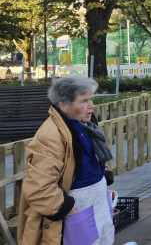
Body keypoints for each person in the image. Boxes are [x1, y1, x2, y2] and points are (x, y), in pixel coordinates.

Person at [18, 76, 115, 245]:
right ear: (63, 107)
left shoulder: (85, 124)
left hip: (96, 206)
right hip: (77, 211)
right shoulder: (50, 137)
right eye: (84, 101)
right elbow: (38, 187)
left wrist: (102, 175)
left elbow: (90, 158)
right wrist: (64, 207)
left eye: (91, 99)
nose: (91, 105)